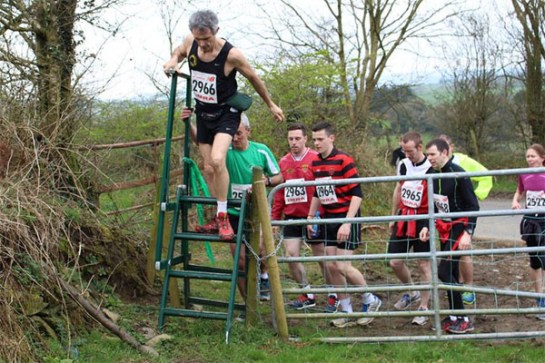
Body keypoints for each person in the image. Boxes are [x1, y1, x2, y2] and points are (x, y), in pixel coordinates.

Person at [163, 10, 284, 240]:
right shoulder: (191, 42)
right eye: (198, 39)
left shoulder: (231, 55)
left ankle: (222, 216)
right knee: (208, 167)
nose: (202, 44)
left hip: (227, 113)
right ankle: (217, 215)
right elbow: (179, 51)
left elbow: (254, 78)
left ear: (216, 31)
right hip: (204, 113)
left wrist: (271, 104)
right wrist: (171, 61)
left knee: (219, 160)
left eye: (206, 39)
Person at [306, 121, 381, 328]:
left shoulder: (344, 160)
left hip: (347, 217)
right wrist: (310, 217)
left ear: (332, 138)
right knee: (331, 266)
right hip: (329, 218)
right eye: (314, 140)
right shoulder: (315, 164)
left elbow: (358, 194)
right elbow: (317, 192)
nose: (317, 143)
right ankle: (346, 309)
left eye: (320, 139)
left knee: (342, 265)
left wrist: (347, 223)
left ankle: (370, 299)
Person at [419, 138, 479, 334]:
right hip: (442, 228)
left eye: (433, 155)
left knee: (444, 272)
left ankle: (464, 318)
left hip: (458, 227)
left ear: (445, 153)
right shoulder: (430, 174)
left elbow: (473, 206)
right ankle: (454, 315)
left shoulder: (458, 174)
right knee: (451, 273)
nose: (429, 159)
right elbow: (429, 205)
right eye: (427, 155)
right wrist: (427, 225)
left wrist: (468, 234)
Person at [225, 113, 282, 302]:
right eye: (232, 133)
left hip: (258, 211)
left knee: (261, 251)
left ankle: (263, 277)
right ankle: (248, 304)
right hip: (233, 213)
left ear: (248, 131)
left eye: (239, 133)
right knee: (240, 261)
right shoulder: (225, 152)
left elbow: (279, 177)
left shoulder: (261, 151)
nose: (235, 138)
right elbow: (204, 149)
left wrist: (265, 181)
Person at [271, 123, 327, 310]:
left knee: (321, 257)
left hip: (314, 216)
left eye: (297, 138)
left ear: (305, 139)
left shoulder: (315, 159)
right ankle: (307, 293)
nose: (294, 142)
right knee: (290, 255)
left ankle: (334, 293)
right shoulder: (283, 162)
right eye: (290, 139)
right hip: (292, 216)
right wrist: (275, 218)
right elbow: (279, 193)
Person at [439, 134, 493, 305]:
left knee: (463, 253)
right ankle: (455, 287)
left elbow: (485, 175)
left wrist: (477, 195)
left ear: (450, 148)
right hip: (445, 220)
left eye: (445, 148)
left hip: (463, 217)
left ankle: (468, 288)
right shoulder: (435, 167)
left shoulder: (463, 161)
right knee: (450, 259)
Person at [387, 131, 432, 326]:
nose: (407, 155)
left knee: (424, 264)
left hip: (423, 218)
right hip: (404, 216)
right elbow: (399, 188)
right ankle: (412, 291)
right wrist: (392, 215)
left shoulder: (431, 167)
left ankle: (424, 307)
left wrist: (431, 222)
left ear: (420, 148)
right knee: (394, 262)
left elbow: (436, 196)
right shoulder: (403, 164)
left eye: (410, 151)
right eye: (404, 151)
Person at [511, 143, 545, 320]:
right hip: (531, 221)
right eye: (528, 157)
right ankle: (539, 298)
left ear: (542, 157)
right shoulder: (523, 173)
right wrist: (515, 201)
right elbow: (520, 190)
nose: (530, 159)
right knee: (535, 260)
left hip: (544, 221)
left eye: (533, 156)